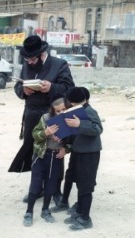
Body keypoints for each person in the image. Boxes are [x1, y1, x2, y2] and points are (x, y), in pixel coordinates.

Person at [8, 35, 75, 202]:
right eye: (27, 59)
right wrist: (24, 91)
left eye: (31, 59)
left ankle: (55, 191)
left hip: (53, 114)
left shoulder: (60, 64)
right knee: (34, 151)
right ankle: (37, 188)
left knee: (55, 149)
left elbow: (69, 89)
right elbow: (18, 85)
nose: (29, 62)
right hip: (31, 114)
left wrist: (52, 87)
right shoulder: (27, 63)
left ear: (41, 54)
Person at [51, 87, 103, 231]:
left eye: (71, 102)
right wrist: (62, 135)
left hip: (89, 153)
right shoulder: (77, 111)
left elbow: (98, 129)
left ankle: (85, 218)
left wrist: (80, 124)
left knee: (85, 186)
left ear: (73, 101)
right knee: (76, 180)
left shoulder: (89, 111)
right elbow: (75, 134)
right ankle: (79, 212)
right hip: (78, 151)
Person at [23, 98, 71, 227]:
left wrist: (65, 149)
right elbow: (34, 134)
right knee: (35, 184)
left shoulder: (72, 120)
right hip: (41, 155)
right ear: (53, 111)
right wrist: (46, 132)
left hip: (56, 157)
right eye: (57, 111)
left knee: (51, 184)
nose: (61, 113)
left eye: (63, 110)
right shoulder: (46, 118)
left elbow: (74, 141)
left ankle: (45, 210)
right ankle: (29, 212)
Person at [50, 86, 91, 214]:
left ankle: (80, 206)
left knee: (85, 181)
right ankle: (64, 202)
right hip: (75, 150)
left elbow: (96, 129)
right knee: (69, 176)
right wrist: (61, 140)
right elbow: (69, 136)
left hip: (86, 153)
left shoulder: (87, 113)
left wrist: (79, 125)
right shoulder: (68, 115)